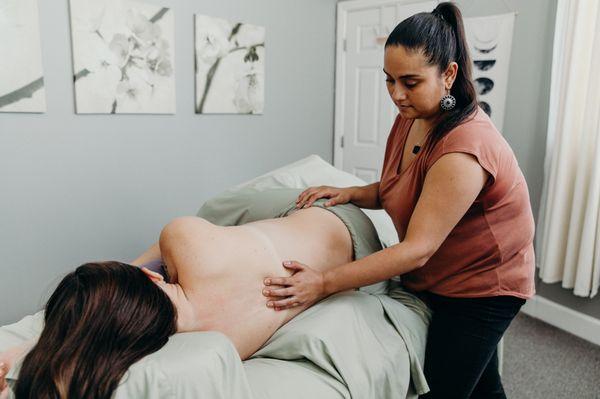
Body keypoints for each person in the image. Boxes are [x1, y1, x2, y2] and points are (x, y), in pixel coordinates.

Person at [262, 3, 535, 398]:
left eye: (410, 82)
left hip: (486, 286)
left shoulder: (464, 150)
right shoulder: (414, 115)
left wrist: (323, 283)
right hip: (446, 270)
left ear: (449, 75)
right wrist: (352, 192)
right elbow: (404, 187)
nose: (396, 94)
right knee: (482, 387)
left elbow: (416, 251)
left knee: (443, 387)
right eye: (389, 80)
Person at [0, 188, 383, 399]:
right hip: (334, 215)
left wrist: (33, 350)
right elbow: (133, 268)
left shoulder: (205, 340)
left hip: (348, 249)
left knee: (226, 211)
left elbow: (98, 334)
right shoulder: (182, 239)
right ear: (152, 281)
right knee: (227, 203)